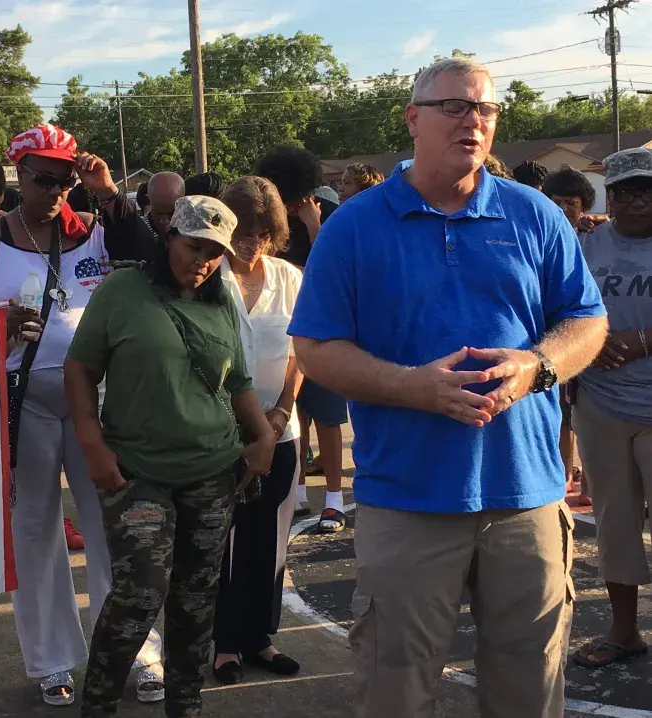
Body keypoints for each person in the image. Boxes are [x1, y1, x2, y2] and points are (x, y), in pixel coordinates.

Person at [288, 57, 608, 718]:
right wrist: (414, 387)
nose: (473, 121)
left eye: (485, 109)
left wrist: (537, 366)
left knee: (529, 689)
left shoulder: (534, 214)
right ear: (413, 119)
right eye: (454, 107)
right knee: (395, 690)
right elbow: (315, 348)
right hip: (407, 499)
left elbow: (587, 321)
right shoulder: (355, 225)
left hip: (525, 497)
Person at [0, 124, 162, 707]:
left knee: (115, 525)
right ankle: (51, 661)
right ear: (18, 175)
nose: (55, 191)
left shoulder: (95, 230)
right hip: (24, 400)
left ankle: (138, 653)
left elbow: (151, 264)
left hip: (96, 398)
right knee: (34, 530)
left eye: (65, 180)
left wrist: (108, 192)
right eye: (44, 179)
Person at [65, 195, 276, 717]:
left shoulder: (220, 299)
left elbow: (239, 382)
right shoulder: (123, 290)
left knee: (195, 601)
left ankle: (186, 706)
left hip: (213, 472)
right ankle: (99, 707)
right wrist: (92, 444)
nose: (202, 261)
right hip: (137, 470)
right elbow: (81, 368)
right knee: (139, 596)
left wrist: (264, 438)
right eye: (193, 247)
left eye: (214, 252)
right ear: (169, 238)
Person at [212, 177, 303, 684]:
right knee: (219, 542)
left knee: (267, 540)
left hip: (278, 429)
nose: (253, 242)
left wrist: (282, 412)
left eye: (264, 233)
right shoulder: (209, 276)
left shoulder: (289, 278)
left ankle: (259, 638)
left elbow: (300, 353)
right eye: (244, 232)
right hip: (220, 431)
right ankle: (223, 642)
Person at [571, 147, 652, 669]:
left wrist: (643, 339)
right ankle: (625, 631)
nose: (639, 201)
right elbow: (562, 307)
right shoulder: (584, 246)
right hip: (601, 406)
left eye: (648, 191)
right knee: (614, 524)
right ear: (610, 197)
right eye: (626, 192)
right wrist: (590, 342)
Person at [256, 147, 347, 530]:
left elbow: (333, 272)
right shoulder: (269, 219)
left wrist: (314, 225)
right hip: (282, 328)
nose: (294, 207)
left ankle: (334, 499)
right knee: (295, 414)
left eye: (297, 200)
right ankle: (299, 494)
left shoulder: (330, 215)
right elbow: (266, 264)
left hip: (324, 332)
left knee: (328, 417)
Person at [542, 165, 599, 506]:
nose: (563, 209)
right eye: (557, 201)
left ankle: (589, 483)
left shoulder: (594, 237)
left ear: (584, 207)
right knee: (564, 413)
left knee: (588, 414)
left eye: (571, 203)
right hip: (553, 339)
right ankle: (564, 473)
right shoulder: (541, 235)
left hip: (589, 339)